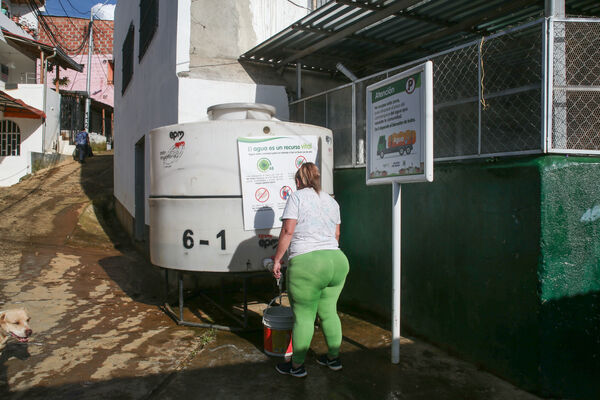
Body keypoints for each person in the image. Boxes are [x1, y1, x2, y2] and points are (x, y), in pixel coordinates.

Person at [272, 162, 349, 378]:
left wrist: (277, 259)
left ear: (298, 181)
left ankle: (296, 366)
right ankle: (333, 359)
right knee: (329, 312)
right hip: (337, 261)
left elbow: (288, 230)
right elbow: (336, 236)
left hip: (308, 264)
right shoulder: (332, 201)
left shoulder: (296, 197)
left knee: (304, 317)